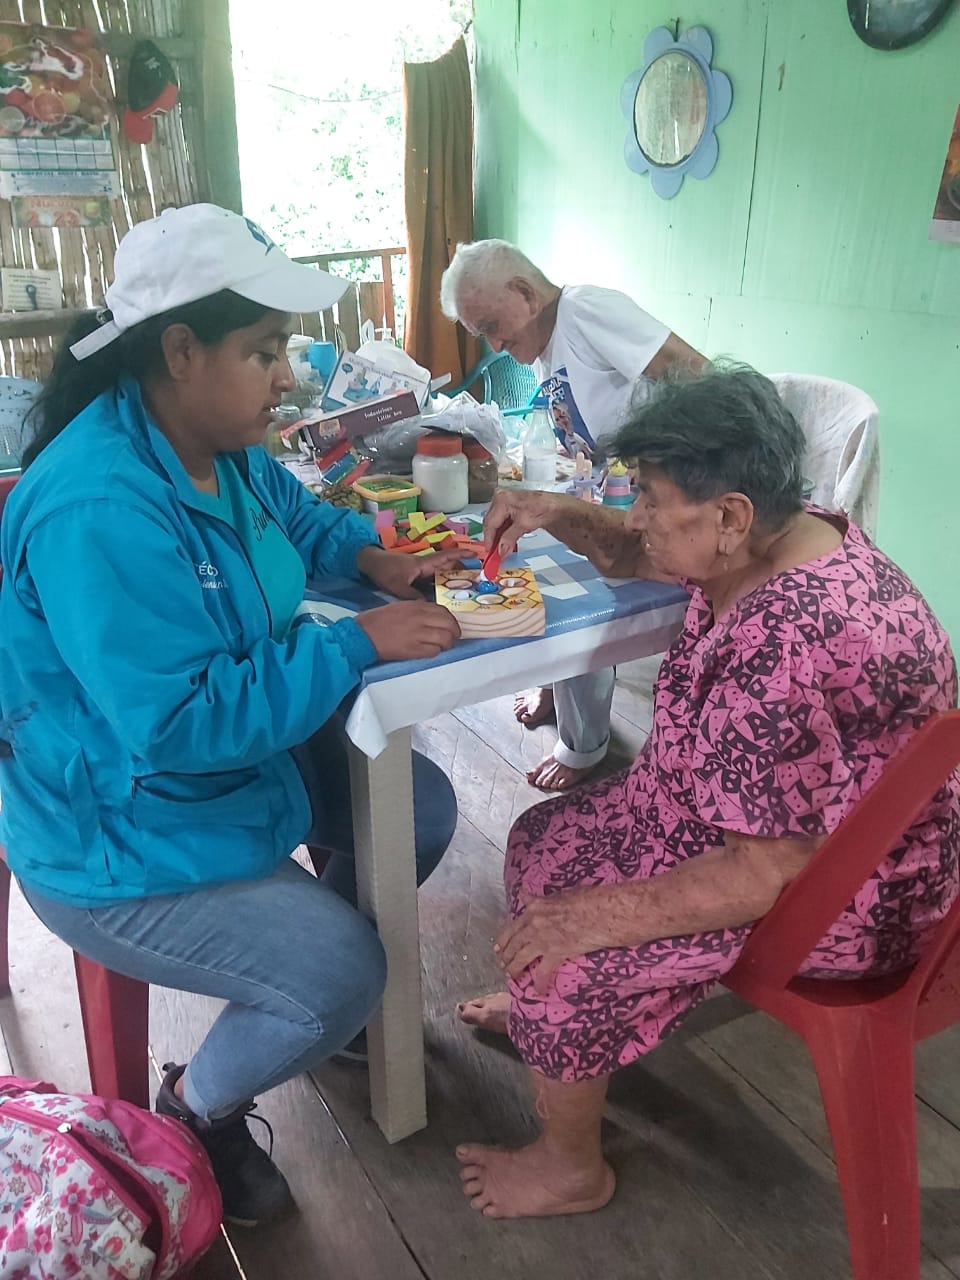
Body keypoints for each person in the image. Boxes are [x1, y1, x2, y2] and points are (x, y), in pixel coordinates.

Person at [0, 203, 463, 1228]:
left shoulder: (218, 439)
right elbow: (180, 723)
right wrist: (353, 642)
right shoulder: (101, 508)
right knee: (348, 969)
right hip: (116, 828)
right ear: (180, 350)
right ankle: (197, 1104)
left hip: (223, 773)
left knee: (420, 810)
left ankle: (303, 992)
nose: (285, 374)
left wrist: (371, 557)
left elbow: (296, 517)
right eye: (263, 351)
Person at [454, 366, 960, 1219]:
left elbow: (765, 875)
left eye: (650, 499)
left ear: (729, 517)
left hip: (843, 895)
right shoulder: (785, 532)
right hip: (764, 830)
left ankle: (571, 1166)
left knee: (565, 952)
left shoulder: (788, 643)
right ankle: (554, 1032)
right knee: (542, 841)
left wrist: (584, 919)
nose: (636, 517)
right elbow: (632, 551)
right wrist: (552, 509)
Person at [440, 239, 706, 791]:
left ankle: (585, 744)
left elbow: (696, 374)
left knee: (585, 590)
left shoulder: (584, 309)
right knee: (540, 557)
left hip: (657, 499)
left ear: (524, 292)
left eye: (492, 326)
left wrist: (662, 475)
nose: (494, 344)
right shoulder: (546, 347)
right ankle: (554, 680)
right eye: (481, 334)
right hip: (613, 492)